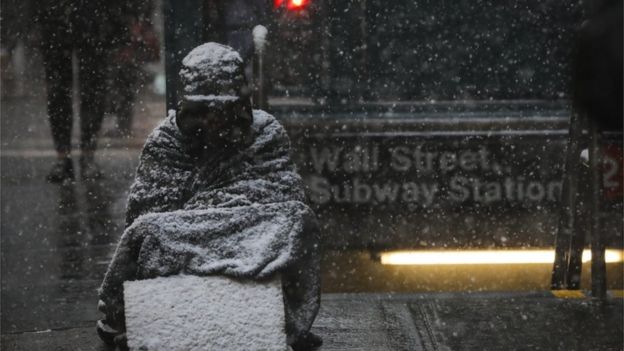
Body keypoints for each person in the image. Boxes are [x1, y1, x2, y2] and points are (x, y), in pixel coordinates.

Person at [97, 43, 322, 350]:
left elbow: (282, 203)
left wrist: (206, 216)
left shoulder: (266, 133)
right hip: (196, 254)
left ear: (241, 105)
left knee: (296, 222)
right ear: (187, 105)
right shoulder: (165, 143)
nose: (213, 123)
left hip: (253, 245)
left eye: (223, 111)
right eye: (203, 111)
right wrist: (221, 217)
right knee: (149, 235)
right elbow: (146, 221)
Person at [37, 2, 125, 182]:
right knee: (62, 92)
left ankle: (80, 156)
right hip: (63, 17)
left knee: (89, 90)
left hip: (88, 17)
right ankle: (70, 156)